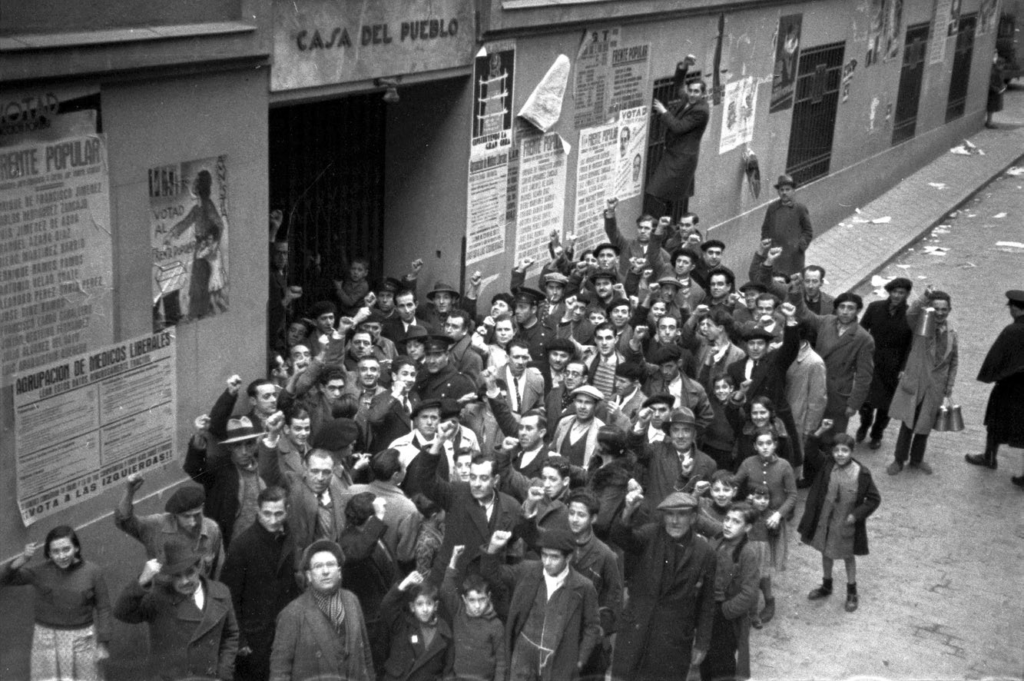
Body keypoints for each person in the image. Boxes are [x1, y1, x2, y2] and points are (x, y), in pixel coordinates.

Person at [610, 491, 717, 681]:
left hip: (673, 641)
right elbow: (622, 537)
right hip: (635, 632)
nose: (675, 521)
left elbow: (707, 602)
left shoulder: (705, 552)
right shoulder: (649, 534)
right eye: (670, 514)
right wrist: (627, 512)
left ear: (693, 518)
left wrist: (702, 643)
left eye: (681, 514)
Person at [481, 528, 602, 681]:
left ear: (568, 557)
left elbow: (592, 626)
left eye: (554, 557)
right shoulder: (527, 570)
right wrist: (492, 548)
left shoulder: (583, 587)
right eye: (544, 555)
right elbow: (491, 574)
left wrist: (579, 661)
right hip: (523, 659)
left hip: (557, 663)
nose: (547, 562)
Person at [113, 538, 239, 681]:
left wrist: (223, 674)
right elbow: (121, 612)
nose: (184, 581)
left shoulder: (221, 593)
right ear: (169, 576)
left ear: (199, 567)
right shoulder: (157, 598)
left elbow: (231, 635)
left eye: (189, 573)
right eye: (177, 576)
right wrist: (142, 580)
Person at [1, 527, 111, 681]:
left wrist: (103, 643)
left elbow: (104, 608)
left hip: (82, 640)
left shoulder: (93, 572)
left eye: (66, 549)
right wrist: (23, 559)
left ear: (76, 548)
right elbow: (4, 579)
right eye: (56, 552)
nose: (62, 556)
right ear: (49, 554)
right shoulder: (40, 571)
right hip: (46, 641)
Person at [220, 486, 302, 681]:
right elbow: (228, 595)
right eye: (267, 513)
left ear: (287, 511)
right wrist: (239, 639)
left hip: (285, 629)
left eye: (278, 513)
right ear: (258, 511)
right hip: (255, 637)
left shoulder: (289, 536)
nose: (272, 520)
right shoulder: (242, 545)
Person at [269, 539, 375, 681]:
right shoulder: (292, 614)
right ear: (309, 576)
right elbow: (280, 671)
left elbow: (365, 655)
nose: (325, 571)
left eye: (330, 565)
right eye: (318, 566)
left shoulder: (352, 600)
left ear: (339, 572)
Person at [798, 434, 882, 613]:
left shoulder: (862, 473)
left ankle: (852, 591)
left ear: (852, 451)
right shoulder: (827, 464)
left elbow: (874, 499)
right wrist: (821, 431)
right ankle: (826, 585)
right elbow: (811, 450)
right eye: (836, 450)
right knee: (825, 551)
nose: (840, 454)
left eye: (845, 450)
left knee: (847, 556)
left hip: (845, 523)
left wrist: (856, 515)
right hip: (825, 520)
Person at [887, 287, 958, 476]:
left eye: (944, 309)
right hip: (917, 383)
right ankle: (898, 459)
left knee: (925, 425)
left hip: (935, 388)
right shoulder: (921, 327)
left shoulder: (952, 332)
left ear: (949, 310)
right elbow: (911, 312)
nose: (941, 313)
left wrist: (948, 386)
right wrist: (925, 297)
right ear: (930, 309)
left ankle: (917, 459)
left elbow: (953, 361)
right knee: (908, 424)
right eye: (936, 309)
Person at [790, 284, 875, 437]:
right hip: (815, 384)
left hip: (837, 394)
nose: (845, 311)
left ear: (858, 311)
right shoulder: (827, 321)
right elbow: (804, 314)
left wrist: (853, 404)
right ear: (836, 308)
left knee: (831, 435)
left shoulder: (863, 338)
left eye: (850, 308)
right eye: (842, 307)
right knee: (809, 429)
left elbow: (864, 375)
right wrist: (796, 293)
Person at [732, 429, 797, 624]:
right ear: (755, 446)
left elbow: (793, 495)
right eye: (760, 444)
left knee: (764, 567)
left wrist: (778, 514)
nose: (765, 447)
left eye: (769, 443)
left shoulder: (784, 466)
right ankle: (744, 602)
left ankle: (769, 601)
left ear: (775, 444)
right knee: (747, 563)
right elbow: (734, 484)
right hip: (751, 523)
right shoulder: (748, 463)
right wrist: (742, 498)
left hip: (772, 523)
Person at [965, 289, 1024, 483]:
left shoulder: (1013, 330)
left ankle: (990, 457)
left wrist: (991, 375)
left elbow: (996, 357)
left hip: (1010, 387)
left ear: (1015, 309)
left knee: (996, 420)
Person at [183, 412, 266, 549]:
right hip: (231, 546)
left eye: (249, 444)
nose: (244, 451)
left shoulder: (263, 465)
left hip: (259, 541)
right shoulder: (220, 469)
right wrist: (199, 437)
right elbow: (195, 470)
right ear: (229, 447)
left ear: (255, 444)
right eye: (238, 445)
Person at [114, 476, 224, 577]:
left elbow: (217, 568)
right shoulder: (156, 526)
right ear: (175, 515)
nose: (193, 522)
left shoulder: (212, 529)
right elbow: (124, 521)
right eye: (186, 517)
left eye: (197, 515)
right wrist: (129, 491)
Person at [700, 504, 760, 681]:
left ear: (747, 527)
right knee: (705, 657)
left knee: (722, 662)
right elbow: (698, 518)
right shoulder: (719, 539)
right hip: (708, 608)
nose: (728, 525)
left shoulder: (748, 553)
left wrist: (724, 610)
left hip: (726, 617)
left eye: (735, 522)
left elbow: (749, 594)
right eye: (727, 519)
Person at [646, 56, 710, 215]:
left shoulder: (701, 111)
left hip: (682, 159)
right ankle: (665, 223)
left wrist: (663, 111)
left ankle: (664, 223)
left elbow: (678, 127)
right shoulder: (687, 99)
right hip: (674, 154)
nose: (692, 94)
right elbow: (679, 84)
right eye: (691, 91)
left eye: (697, 92)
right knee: (663, 193)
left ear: (702, 94)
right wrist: (683, 66)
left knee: (659, 192)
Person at [857, 277, 914, 449]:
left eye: (901, 293)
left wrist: (904, 368)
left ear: (907, 294)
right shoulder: (875, 308)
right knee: (865, 402)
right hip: (871, 362)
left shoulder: (911, 315)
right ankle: (864, 424)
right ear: (889, 292)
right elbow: (862, 330)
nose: (897, 296)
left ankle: (877, 433)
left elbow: (911, 345)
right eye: (894, 292)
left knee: (885, 406)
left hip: (893, 367)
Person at [342, 448, 422, 569]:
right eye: (404, 467)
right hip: (386, 575)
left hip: (349, 567)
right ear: (396, 475)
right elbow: (405, 556)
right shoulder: (408, 509)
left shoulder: (352, 491)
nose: (406, 470)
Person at [440, 547, 507, 681]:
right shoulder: (459, 613)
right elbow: (446, 588)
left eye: (481, 599)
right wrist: (454, 559)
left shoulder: (496, 625)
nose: (477, 606)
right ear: (464, 600)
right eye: (472, 600)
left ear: (488, 597)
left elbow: (501, 662)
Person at [379, 571, 454, 681]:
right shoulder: (402, 624)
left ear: (436, 606)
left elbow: (448, 671)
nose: (425, 609)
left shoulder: (444, 633)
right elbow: (387, 606)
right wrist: (405, 583)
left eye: (429, 603)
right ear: (412, 607)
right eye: (419, 604)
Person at [759, 175, 813, 276]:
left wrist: (799, 246)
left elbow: (808, 231)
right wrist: (766, 243)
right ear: (778, 192)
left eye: (787, 189)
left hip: (793, 256)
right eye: (781, 190)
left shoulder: (800, 209)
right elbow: (765, 228)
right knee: (775, 282)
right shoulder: (772, 208)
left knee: (792, 283)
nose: (784, 192)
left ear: (793, 191)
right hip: (776, 253)